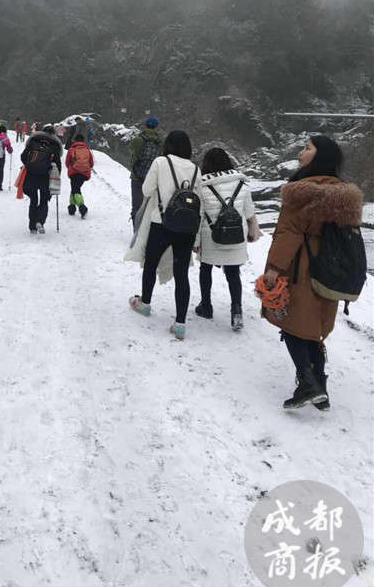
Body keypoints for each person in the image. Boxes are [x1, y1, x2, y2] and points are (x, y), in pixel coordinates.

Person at [261, 136, 363, 411]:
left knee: (292, 323)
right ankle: (321, 387)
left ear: (320, 156)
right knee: (314, 328)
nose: (301, 151)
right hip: (330, 270)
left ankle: (307, 383)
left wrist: (274, 268)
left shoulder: (301, 191)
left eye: (307, 148)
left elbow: (289, 233)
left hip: (301, 267)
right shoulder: (345, 194)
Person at [125, 130, 203, 340]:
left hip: (161, 223)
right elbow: (200, 203)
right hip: (186, 227)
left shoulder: (160, 162)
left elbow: (147, 189)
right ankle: (180, 324)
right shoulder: (196, 169)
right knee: (182, 274)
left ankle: (145, 303)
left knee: (151, 263)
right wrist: (197, 238)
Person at [195, 147, 262, 331]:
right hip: (235, 236)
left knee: (205, 269)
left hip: (211, 237)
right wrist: (253, 232)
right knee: (233, 274)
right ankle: (237, 311)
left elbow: (199, 216)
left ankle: (206, 306)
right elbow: (249, 213)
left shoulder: (202, 186)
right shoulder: (241, 183)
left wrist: (195, 243)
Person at [20, 124, 62, 233]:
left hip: (31, 174)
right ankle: (40, 221)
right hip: (45, 176)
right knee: (44, 200)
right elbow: (58, 164)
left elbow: (23, 156)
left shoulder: (33, 141)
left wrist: (29, 165)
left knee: (33, 200)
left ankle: (32, 226)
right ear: (53, 133)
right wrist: (57, 176)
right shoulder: (54, 145)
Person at [129, 117, 163, 227]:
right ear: (157, 127)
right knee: (150, 206)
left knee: (137, 205)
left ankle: (136, 230)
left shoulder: (138, 140)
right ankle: (147, 230)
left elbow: (132, 153)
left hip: (137, 177)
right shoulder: (161, 142)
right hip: (153, 179)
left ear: (145, 125)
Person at [65, 133, 94, 218]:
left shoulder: (71, 149)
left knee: (75, 190)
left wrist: (71, 168)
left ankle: (82, 207)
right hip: (84, 174)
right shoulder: (87, 150)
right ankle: (72, 208)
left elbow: (67, 163)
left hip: (74, 173)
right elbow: (91, 164)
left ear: (75, 140)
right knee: (75, 188)